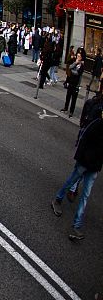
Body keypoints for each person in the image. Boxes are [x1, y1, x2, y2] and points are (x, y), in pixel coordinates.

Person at [50, 102, 102, 240]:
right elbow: (84, 140)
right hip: (85, 162)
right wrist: (80, 159)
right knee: (71, 182)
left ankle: (76, 226)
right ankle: (58, 199)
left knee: (85, 195)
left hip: (94, 167)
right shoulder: (97, 124)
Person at [62, 51, 85, 118]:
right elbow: (70, 67)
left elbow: (77, 73)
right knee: (68, 96)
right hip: (71, 82)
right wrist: (75, 63)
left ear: (81, 58)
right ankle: (65, 108)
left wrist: (72, 70)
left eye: (79, 56)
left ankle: (71, 112)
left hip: (76, 84)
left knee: (74, 99)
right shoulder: (75, 62)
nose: (77, 57)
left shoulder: (82, 66)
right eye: (77, 56)